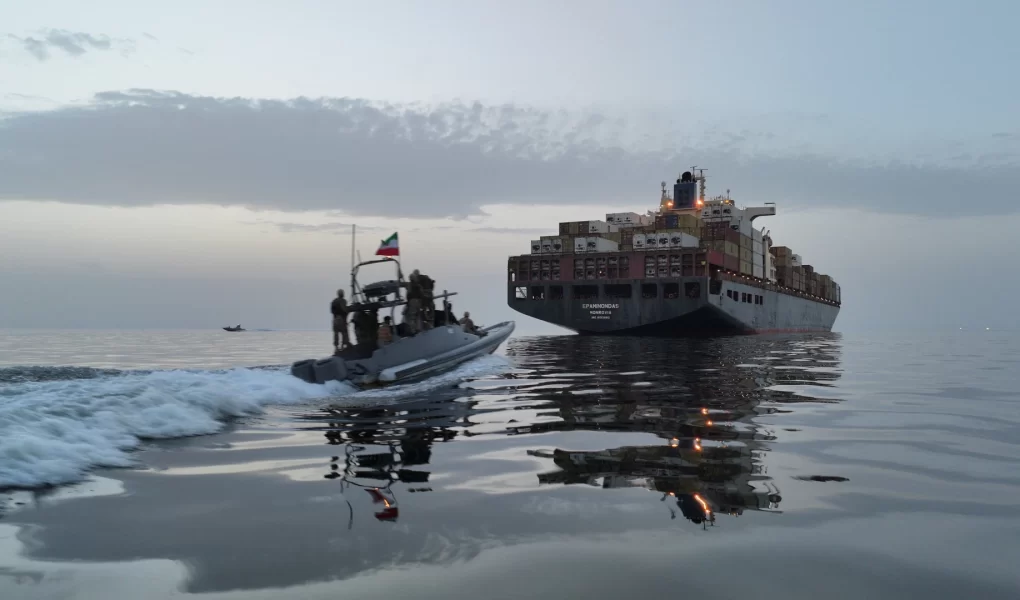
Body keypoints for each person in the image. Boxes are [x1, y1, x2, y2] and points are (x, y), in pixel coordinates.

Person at [405, 270, 423, 335]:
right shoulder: (418, 285)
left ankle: (413, 330)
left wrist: (408, 302)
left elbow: (408, 294)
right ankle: (419, 329)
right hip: (419, 302)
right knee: (418, 315)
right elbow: (421, 294)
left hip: (412, 301)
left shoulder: (410, 285)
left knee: (412, 316)